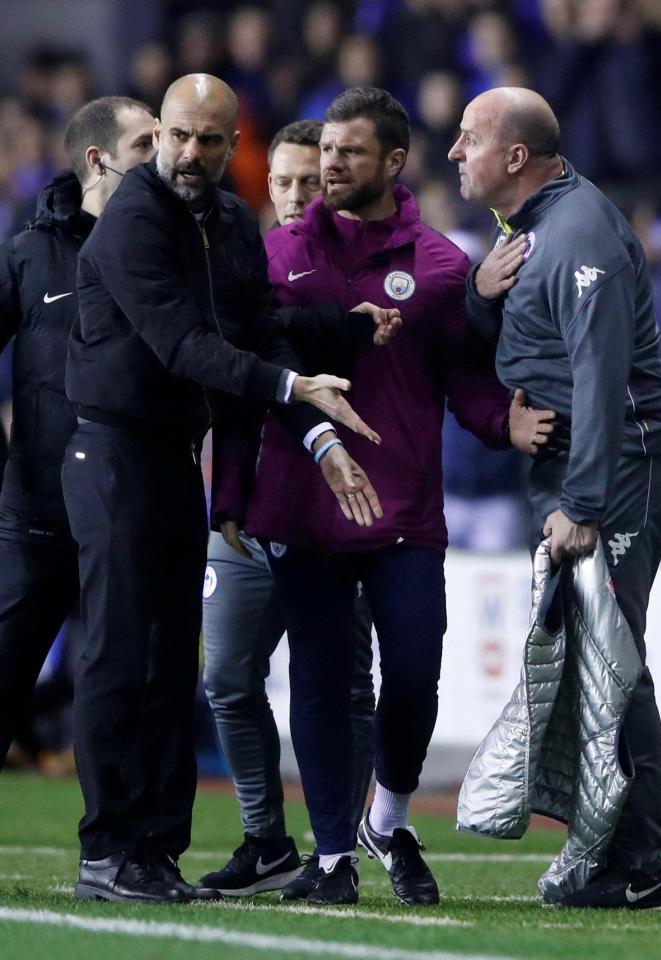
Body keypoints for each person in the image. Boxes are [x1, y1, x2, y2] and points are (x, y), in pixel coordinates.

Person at [214, 86, 554, 906]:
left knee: (412, 675)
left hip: (403, 510)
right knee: (323, 683)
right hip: (300, 505)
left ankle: (388, 817)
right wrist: (230, 489)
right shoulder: (279, 255)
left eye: (349, 153)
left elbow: (462, 381)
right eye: (326, 151)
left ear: (393, 162)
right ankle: (332, 854)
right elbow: (248, 379)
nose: (329, 166)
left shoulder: (439, 269)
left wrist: (497, 424)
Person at [62, 73, 386, 905]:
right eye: (179, 136)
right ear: (160, 135)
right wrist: (291, 388)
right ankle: (108, 849)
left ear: (232, 141)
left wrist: (344, 328)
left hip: (174, 455)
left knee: (171, 661)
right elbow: (185, 347)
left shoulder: (230, 221)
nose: (192, 153)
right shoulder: (133, 221)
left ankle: (156, 852)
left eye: (211, 140)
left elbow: (255, 326)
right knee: (118, 653)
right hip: (114, 453)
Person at [449, 86, 661, 909]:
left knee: (615, 669)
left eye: (468, 138)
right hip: (570, 472)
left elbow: (600, 376)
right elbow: (519, 346)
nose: (454, 152)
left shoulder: (578, 230)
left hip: (614, 471)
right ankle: (606, 852)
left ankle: (637, 867)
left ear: (515, 157)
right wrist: (479, 295)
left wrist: (582, 503)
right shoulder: (530, 230)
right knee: (592, 667)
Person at [199, 119, 382, 898]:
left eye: (312, 181)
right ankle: (265, 840)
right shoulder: (243, 275)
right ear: (265, 187)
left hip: (347, 513)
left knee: (344, 684)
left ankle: (339, 842)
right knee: (229, 678)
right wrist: (227, 496)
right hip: (249, 511)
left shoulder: (367, 274)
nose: (298, 196)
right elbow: (236, 400)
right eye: (283, 183)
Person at [0, 96, 156, 771]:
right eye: (147, 146)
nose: (167, 158)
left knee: (121, 691)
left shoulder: (169, 252)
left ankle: (114, 856)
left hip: (130, 512)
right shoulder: (29, 254)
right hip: (36, 512)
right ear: (98, 159)